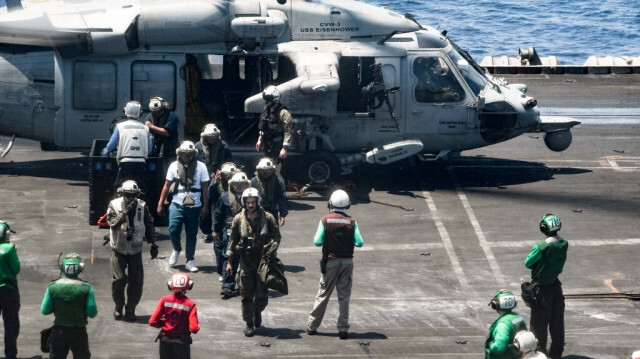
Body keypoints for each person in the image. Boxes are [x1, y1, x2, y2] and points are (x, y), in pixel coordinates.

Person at [306, 189, 363, 339]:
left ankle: (312, 326)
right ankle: (343, 328)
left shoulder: (325, 220)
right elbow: (360, 242)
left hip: (330, 262)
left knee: (323, 294)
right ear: (348, 205)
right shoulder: (352, 221)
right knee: (344, 296)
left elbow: (317, 242)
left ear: (330, 203)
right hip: (346, 262)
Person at [226, 188, 281, 337]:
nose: (250, 205)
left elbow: (277, 236)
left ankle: (257, 311)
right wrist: (229, 261)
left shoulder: (268, 218)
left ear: (257, 202)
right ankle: (249, 323)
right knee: (246, 295)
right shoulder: (238, 219)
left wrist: (272, 248)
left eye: (253, 202)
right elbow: (232, 241)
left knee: (262, 295)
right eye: (248, 202)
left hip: (263, 260)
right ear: (244, 202)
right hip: (245, 261)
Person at [107, 180, 159, 322]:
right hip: (118, 248)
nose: (129, 197)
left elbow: (149, 224)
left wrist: (153, 244)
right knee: (118, 280)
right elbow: (111, 223)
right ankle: (119, 306)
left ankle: (130, 309)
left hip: (135, 249)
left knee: (136, 281)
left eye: (132, 195)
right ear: (122, 194)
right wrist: (122, 215)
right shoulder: (114, 205)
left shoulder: (142, 206)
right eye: (127, 195)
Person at [157, 141, 209, 273]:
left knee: (192, 233)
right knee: (173, 229)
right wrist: (160, 203)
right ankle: (176, 248)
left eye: (190, 154)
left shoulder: (201, 166)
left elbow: (204, 188)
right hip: (177, 202)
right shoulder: (173, 166)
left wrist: (205, 206)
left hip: (195, 204)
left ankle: (190, 260)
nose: (187, 157)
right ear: (180, 154)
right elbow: (167, 185)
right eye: (184, 154)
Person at [525, 214, 568, 359]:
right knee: (557, 323)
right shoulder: (564, 243)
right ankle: (556, 355)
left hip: (541, 290)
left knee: (538, 326)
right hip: (556, 286)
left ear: (543, 228)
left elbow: (528, 263)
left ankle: (540, 355)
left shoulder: (541, 246)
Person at [41, 253, 98, 359]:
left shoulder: (52, 287)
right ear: (80, 268)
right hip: (79, 331)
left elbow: (45, 310)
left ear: (62, 267)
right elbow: (92, 313)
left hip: (59, 331)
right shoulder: (87, 288)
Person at [101, 100, 152, 194]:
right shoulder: (145, 128)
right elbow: (149, 150)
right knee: (141, 189)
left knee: (119, 188)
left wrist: (105, 151)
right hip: (141, 163)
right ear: (140, 113)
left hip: (125, 163)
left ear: (125, 112)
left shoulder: (120, 126)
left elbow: (110, 146)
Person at [214, 171, 251, 296]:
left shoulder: (253, 197)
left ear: (247, 184)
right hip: (230, 230)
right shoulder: (225, 197)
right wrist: (216, 230)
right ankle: (228, 284)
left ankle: (248, 284)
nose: (239, 186)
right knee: (228, 255)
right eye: (236, 184)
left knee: (250, 256)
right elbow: (218, 214)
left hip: (249, 230)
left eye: (242, 184)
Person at [195, 124, 233, 243]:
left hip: (218, 178)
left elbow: (229, 163)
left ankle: (220, 229)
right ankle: (206, 231)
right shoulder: (197, 147)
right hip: (203, 179)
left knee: (218, 204)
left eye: (214, 137)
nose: (212, 140)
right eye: (209, 137)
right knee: (204, 205)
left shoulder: (224, 147)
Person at [149, 272, 200, 359]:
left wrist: (164, 322)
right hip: (182, 342)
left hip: (165, 340)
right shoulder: (190, 304)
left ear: (170, 285)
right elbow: (194, 328)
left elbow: (152, 322)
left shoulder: (164, 300)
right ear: (189, 286)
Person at [484, 289, 527, 359]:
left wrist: (490, 345)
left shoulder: (502, 324)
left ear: (495, 305)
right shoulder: (518, 318)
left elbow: (498, 347)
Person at [255, 86, 293, 162]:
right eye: (265, 98)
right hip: (268, 144)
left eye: (268, 99)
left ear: (275, 99)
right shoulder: (266, 109)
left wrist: (284, 148)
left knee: (276, 167)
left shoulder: (283, 112)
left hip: (278, 146)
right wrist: (259, 139)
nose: (266, 101)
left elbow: (288, 131)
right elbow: (263, 125)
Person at [0, 220, 19, 359]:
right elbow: (16, 269)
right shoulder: (8, 249)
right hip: (7, 290)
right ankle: (10, 354)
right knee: (10, 323)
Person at [251, 157, 288, 227]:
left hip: (273, 210)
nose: (265, 173)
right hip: (257, 211)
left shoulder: (277, 181)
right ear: (258, 170)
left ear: (273, 170)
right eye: (262, 171)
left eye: (268, 170)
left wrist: (282, 214)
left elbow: (282, 198)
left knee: (274, 231)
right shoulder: (253, 181)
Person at [146, 96, 179, 165]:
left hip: (170, 148)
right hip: (155, 147)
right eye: (154, 112)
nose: (156, 113)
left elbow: (166, 133)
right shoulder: (150, 116)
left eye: (158, 111)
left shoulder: (172, 116)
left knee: (169, 165)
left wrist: (152, 126)